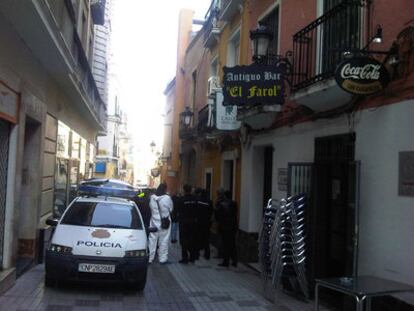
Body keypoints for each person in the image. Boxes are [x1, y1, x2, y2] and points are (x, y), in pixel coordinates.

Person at [148, 183, 173, 264]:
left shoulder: (152, 197)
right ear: (165, 189)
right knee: (164, 240)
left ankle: (150, 258)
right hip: (164, 222)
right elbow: (171, 209)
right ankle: (162, 259)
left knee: (152, 240)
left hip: (154, 222)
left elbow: (150, 207)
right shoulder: (167, 198)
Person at [215, 189, 238, 267]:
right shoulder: (234, 204)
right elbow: (235, 214)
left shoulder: (221, 204)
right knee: (232, 244)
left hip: (224, 227)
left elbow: (218, 216)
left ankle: (226, 261)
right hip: (232, 227)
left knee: (225, 244)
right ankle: (234, 261)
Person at [178, 184, 198, 263]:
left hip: (184, 222)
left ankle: (185, 258)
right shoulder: (195, 199)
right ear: (190, 190)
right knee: (192, 239)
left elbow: (178, 210)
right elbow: (197, 210)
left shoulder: (181, 199)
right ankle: (192, 257)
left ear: (184, 190)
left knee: (183, 240)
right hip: (193, 222)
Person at [195, 188, 213, 260]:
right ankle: (207, 254)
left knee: (198, 238)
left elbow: (196, 210)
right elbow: (211, 211)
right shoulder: (210, 201)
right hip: (207, 223)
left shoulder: (198, 201)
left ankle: (197, 254)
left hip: (199, 222)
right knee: (206, 239)